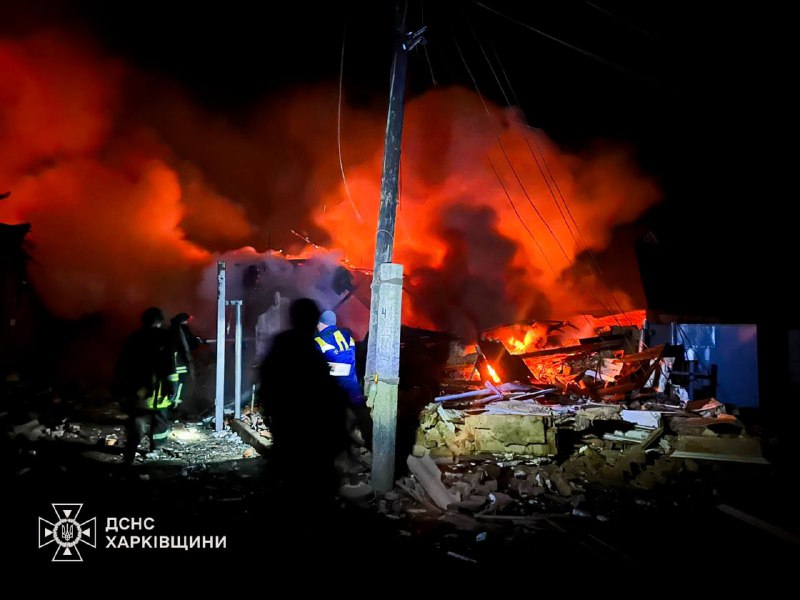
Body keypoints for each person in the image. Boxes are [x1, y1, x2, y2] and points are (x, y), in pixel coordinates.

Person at [259, 298, 349, 496]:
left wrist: (269, 411)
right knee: (309, 484)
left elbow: (267, 382)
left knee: (289, 478)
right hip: (307, 430)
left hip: (288, 425)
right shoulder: (310, 351)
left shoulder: (283, 344)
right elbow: (328, 395)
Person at [113, 307, 178, 463]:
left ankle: (131, 448)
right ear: (160, 321)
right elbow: (170, 365)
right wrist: (173, 388)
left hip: (137, 388)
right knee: (160, 418)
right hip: (159, 389)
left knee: (136, 418)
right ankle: (155, 448)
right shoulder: (165, 337)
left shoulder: (134, 337)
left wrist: (121, 388)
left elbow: (123, 364)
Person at [314, 310, 373, 452]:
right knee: (362, 414)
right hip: (352, 386)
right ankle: (373, 445)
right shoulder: (348, 337)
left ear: (321, 323)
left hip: (333, 389)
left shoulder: (319, 340)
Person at [168, 312, 203, 415]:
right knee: (179, 386)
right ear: (184, 321)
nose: (188, 322)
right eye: (188, 320)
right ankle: (174, 408)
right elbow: (191, 343)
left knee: (172, 386)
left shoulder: (170, 329)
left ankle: (170, 408)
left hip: (171, 365)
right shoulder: (183, 329)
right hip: (180, 363)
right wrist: (197, 341)